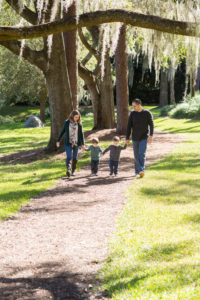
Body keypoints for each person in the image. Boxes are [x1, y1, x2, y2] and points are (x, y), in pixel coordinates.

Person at [126, 98, 154, 178]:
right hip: (135, 138)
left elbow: (151, 125)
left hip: (144, 137)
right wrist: (127, 138)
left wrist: (151, 136)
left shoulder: (147, 113)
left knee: (141, 154)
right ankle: (137, 171)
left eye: (134, 106)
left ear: (139, 105)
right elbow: (129, 126)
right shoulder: (132, 114)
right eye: (132, 106)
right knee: (136, 155)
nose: (133, 108)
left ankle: (141, 170)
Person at [56, 110, 85, 177]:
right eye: (75, 117)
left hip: (76, 143)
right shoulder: (67, 123)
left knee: (75, 158)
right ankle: (68, 170)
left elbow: (81, 134)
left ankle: (73, 171)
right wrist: (58, 140)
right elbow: (62, 131)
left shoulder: (79, 124)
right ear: (72, 116)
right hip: (68, 143)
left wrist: (83, 144)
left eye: (78, 117)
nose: (77, 119)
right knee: (69, 156)